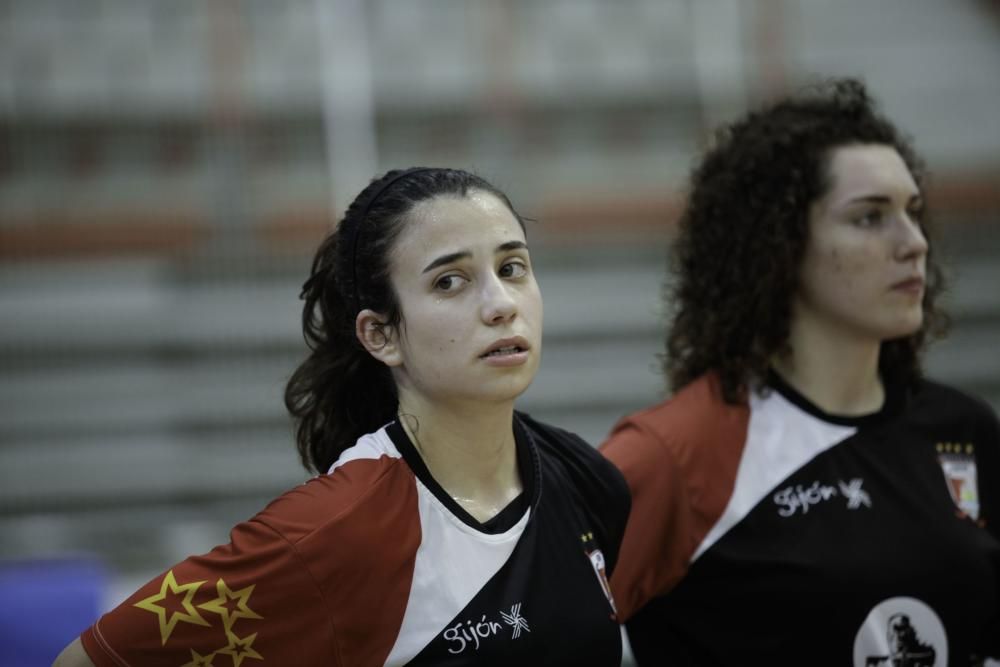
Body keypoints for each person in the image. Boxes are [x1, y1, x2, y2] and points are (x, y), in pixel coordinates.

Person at [54, 167, 630, 666]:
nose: (501, 304)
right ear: (380, 335)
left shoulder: (584, 478)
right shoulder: (335, 532)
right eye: (449, 281)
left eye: (512, 268)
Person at [601, 79, 1000, 665]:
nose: (913, 243)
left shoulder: (961, 426)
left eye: (913, 214)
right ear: (778, 244)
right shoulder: (677, 453)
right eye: (870, 218)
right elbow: (530, 621)